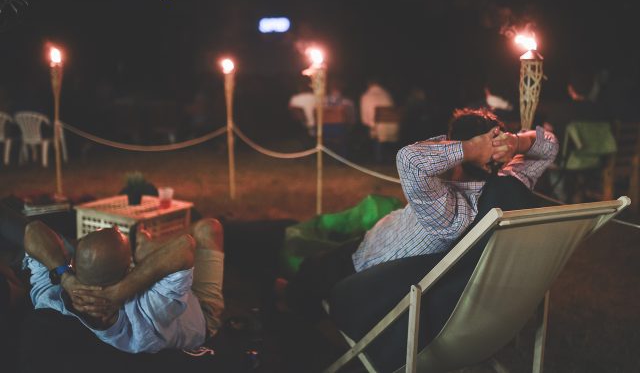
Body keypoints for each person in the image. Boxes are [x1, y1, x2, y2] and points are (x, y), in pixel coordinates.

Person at [277, 107, 558, 317]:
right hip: (383, 244)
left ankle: (290, 301)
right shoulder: (511, 180)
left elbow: (409, 159)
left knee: (314, 270)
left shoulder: (450, 210)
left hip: (368, 266)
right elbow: (550, 146)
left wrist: (473, 147)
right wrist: (515, 142)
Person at [22, 218, 225, 353]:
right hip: (201, 314)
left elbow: (33, 229)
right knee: (209, 228)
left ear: (73, 264)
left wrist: (64, 276)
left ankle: (144, 250)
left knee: (157, 259)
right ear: (129, 271)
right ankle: (144, 249)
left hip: (172, 285)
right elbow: (185, 245)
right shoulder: (147, 313)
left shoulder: (52, 299)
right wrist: (121, 291)